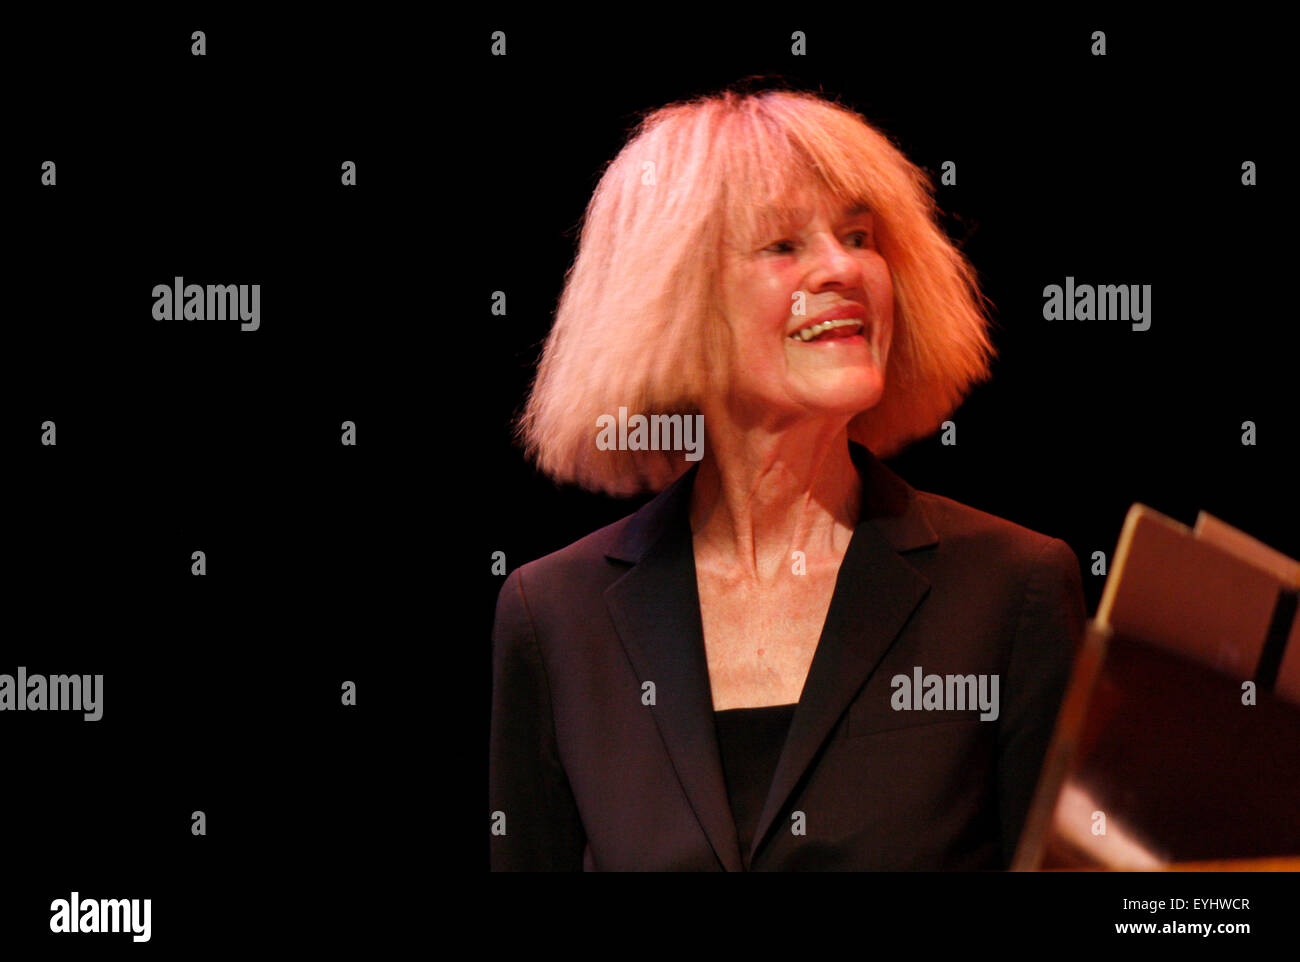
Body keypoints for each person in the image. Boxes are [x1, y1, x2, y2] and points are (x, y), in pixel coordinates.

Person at [490, 86, 1087, 871]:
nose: (843, 268)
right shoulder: (556, 615)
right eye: (782, 245)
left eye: (860, 235)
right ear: (676, 301)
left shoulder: (1012, 588)